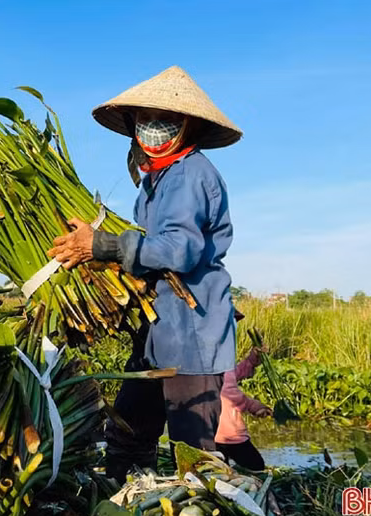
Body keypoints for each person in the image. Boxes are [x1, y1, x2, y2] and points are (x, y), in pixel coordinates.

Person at [47, 66, 243, 482]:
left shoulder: (190, 175)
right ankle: (127, 510)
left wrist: (104, 245)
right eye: (145, 119)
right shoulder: (157, 180)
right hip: (158, 334)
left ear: (188, 124)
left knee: (192, 452)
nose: (153, 128)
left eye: (165, 119)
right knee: (129, 431)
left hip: (191, 337)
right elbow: (148, 251)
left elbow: (179, 250)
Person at [215, 311, 272, 470]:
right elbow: (232, 395)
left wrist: (253, 359)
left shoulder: (218, 358)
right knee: (257, 468)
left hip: (216, 434)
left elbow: (235, 373)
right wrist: (255, 406)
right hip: (229, 435)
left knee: (221, 473)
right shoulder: (214, 361)